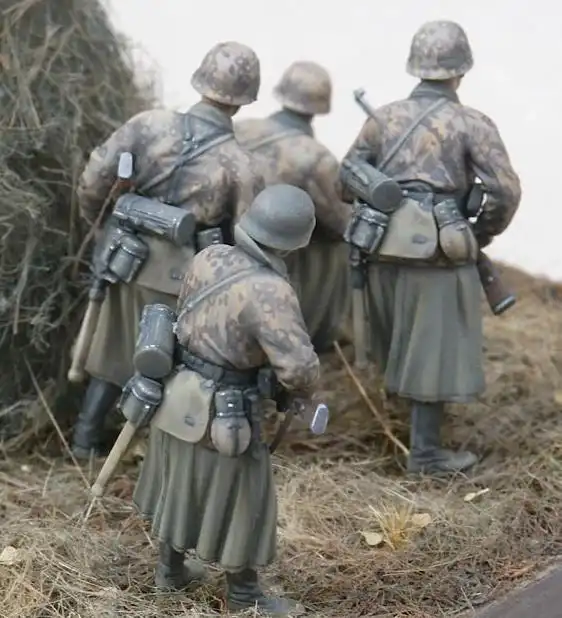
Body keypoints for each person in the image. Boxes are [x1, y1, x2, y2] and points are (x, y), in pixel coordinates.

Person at [341, 20, 521, 475]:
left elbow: (346, 179)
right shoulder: (473, 123)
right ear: (461, 70)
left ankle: (405, 427)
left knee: (398, 336)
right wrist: (478, 235)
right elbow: (505, 192)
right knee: (432, 348)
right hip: (438, 256)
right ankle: (425, 454)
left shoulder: (383, 118)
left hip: (382, 246)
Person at [70, 41, 265, 460]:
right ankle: (151, 452)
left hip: (126, 256)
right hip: (187, 277)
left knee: (113, 350)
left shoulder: (148, 123)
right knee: (170, 364)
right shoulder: (240, 164)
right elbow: (250, 239)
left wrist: (103, 228)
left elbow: (93, 179)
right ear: (244, 99)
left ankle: (85, 439)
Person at [132, 184, 320, 615]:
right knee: (246, 497)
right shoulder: (271, 291)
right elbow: (298, 369)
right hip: (227, 412)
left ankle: (170, 571)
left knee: (178, 483)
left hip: (178, 396)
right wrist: (301, 388)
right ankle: (244, 595)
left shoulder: (208, 256)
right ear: (295, 240)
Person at [235, 61, 352, 353]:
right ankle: (318, 332)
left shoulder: (239, 129)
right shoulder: (315, 157)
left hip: (222, 238)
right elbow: (343, 223)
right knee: (337, 248)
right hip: (270, 256)